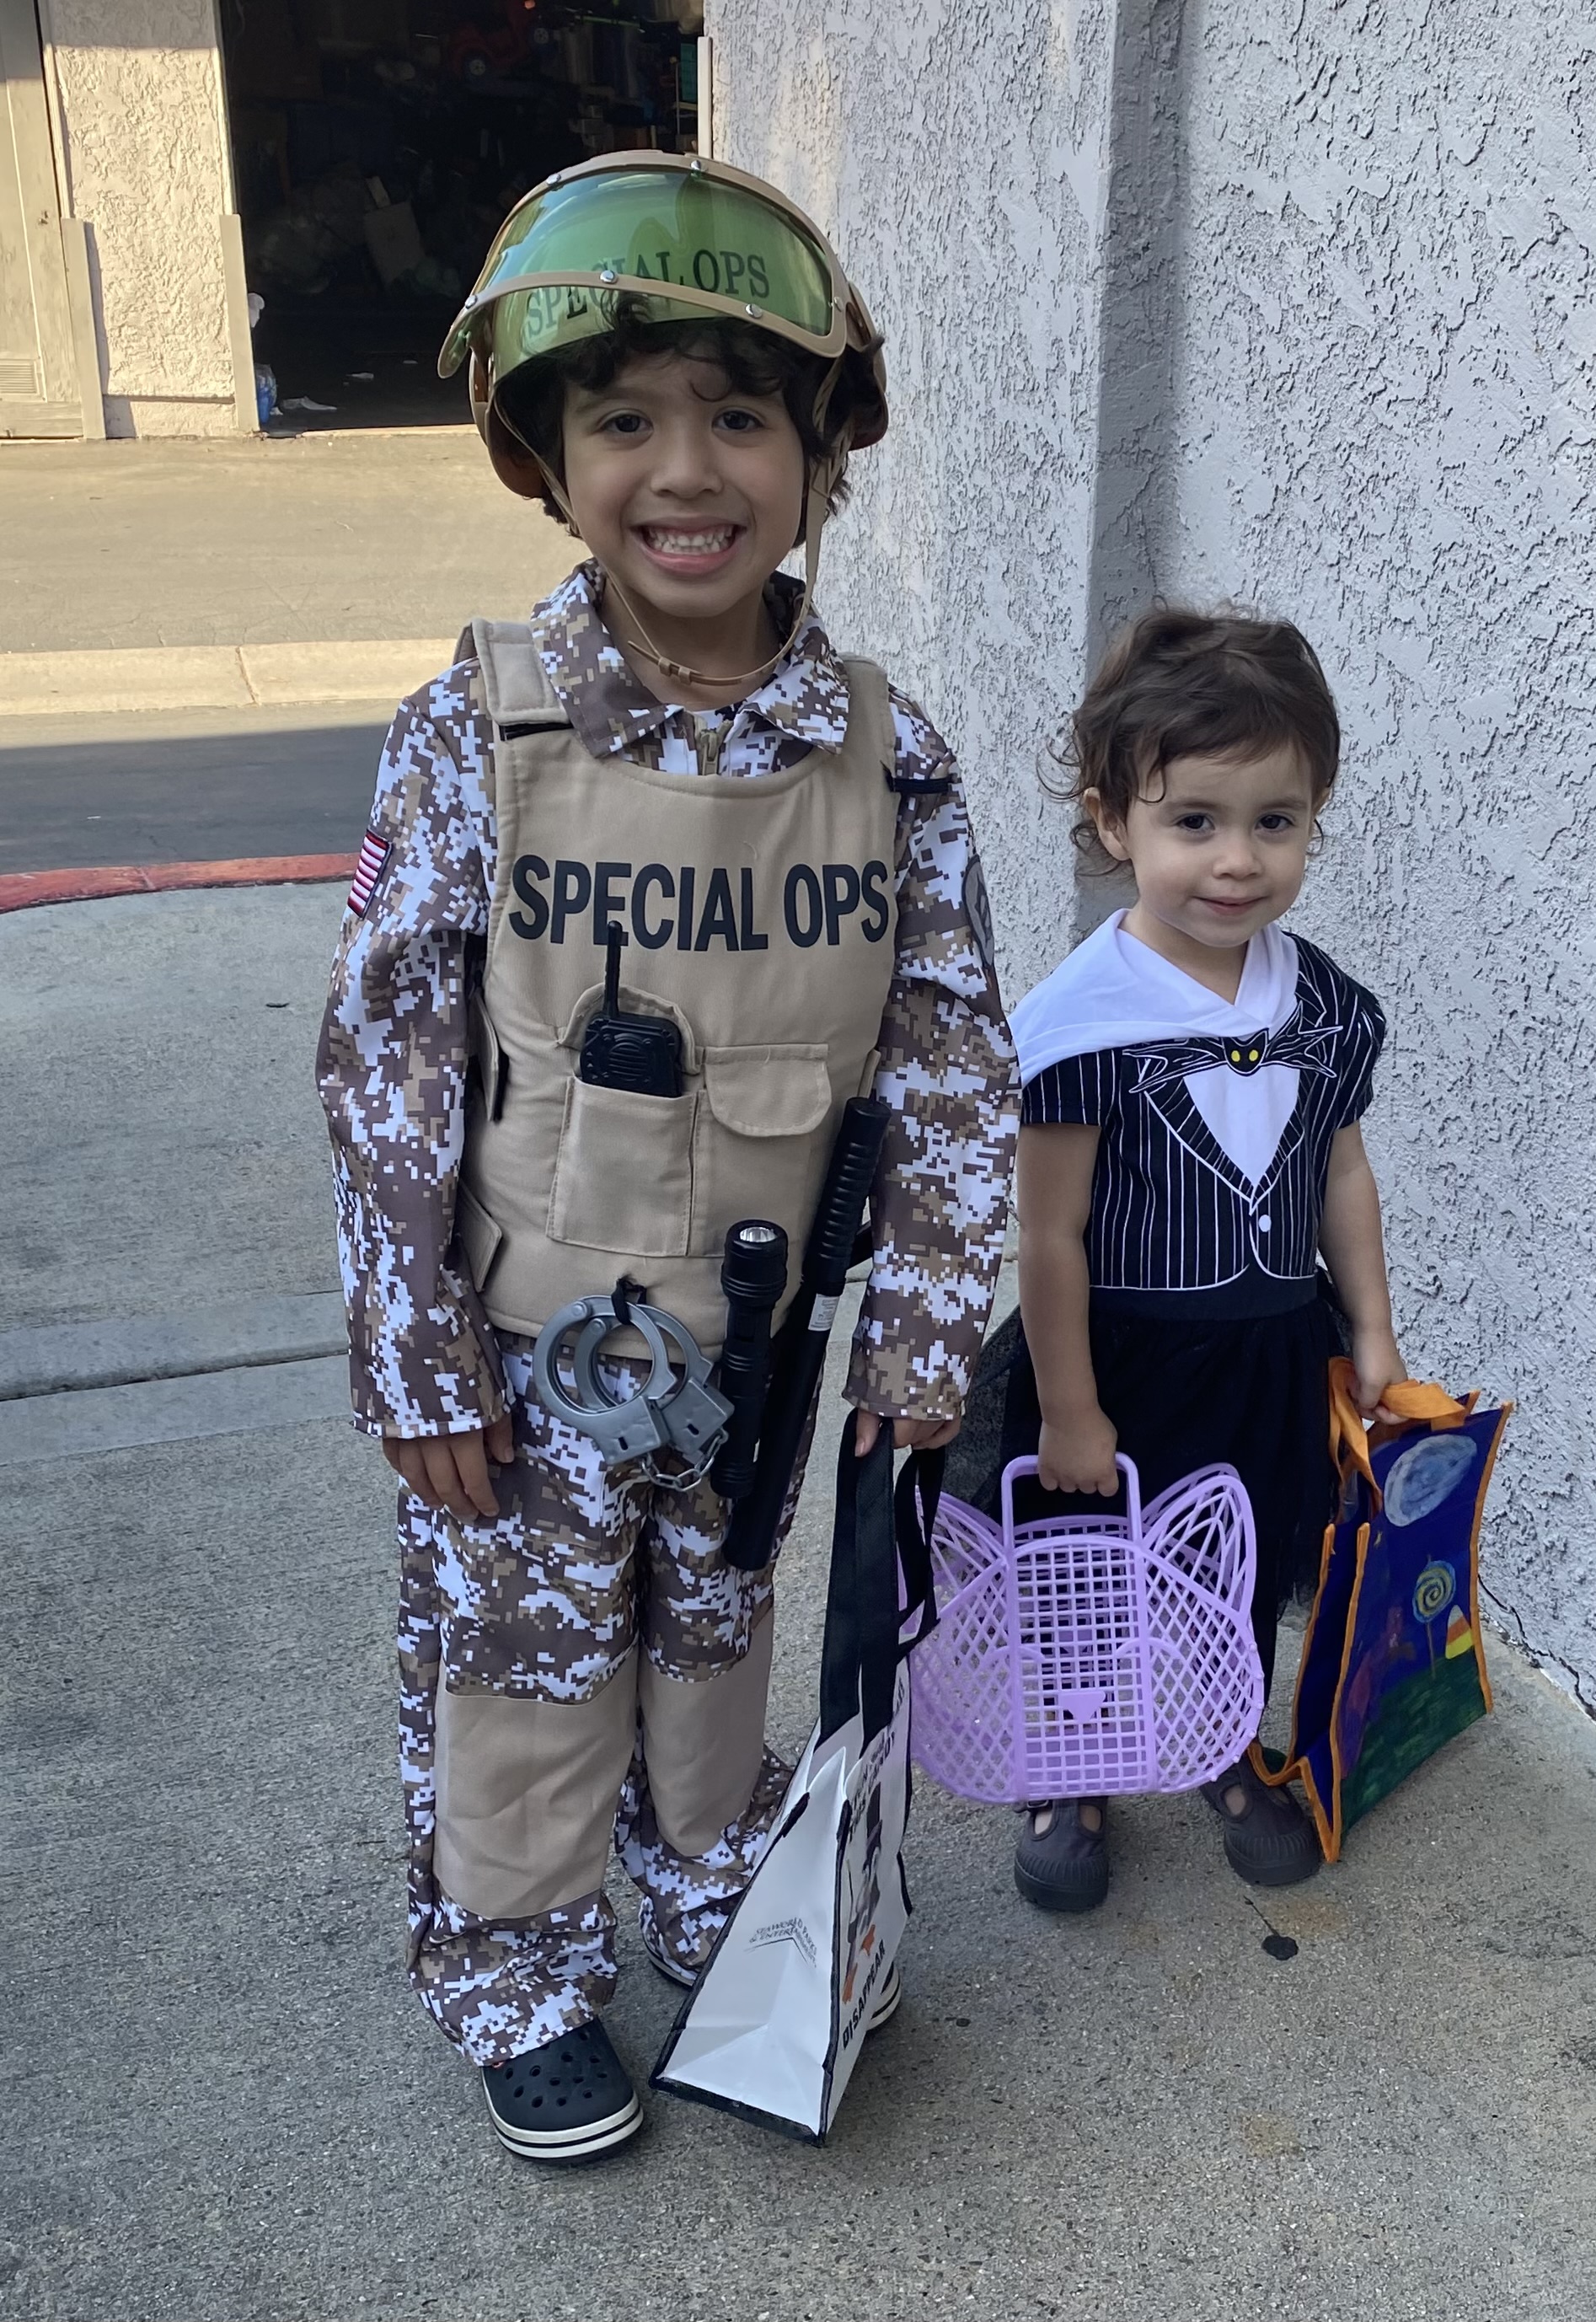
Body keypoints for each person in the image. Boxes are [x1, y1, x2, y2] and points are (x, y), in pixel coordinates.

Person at [316, 153, 1017, 2162]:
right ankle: (518, 1962)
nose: (684, 468)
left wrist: (923, 1342)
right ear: (546, 453)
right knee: (520, 1653)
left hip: (750, 1339)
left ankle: (706, 1885)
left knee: (708, 1636)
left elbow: (954, 1053)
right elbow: (387, 1053)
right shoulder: (483, 727)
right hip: (524, 1343)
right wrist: (414, 1348)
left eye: (740, 414)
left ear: (818, 457)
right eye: (625, 418)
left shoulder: (888, 757)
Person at [999, 607, 1403, 1913]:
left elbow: (1341, 1170)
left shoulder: (1322, 1003)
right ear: (1115, 820)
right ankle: (1073, 1759)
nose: (1236, 861)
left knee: (1242, 1562)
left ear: (1314, 817)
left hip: (1275, 1347)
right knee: (1094, 1565)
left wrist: (1374, 1338)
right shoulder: (1079, 1025)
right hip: (1118, 1359)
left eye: (1275, 823)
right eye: (1194, 822)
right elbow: (1047, 1230)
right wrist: (1070, 1405)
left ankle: (1225, 1737)